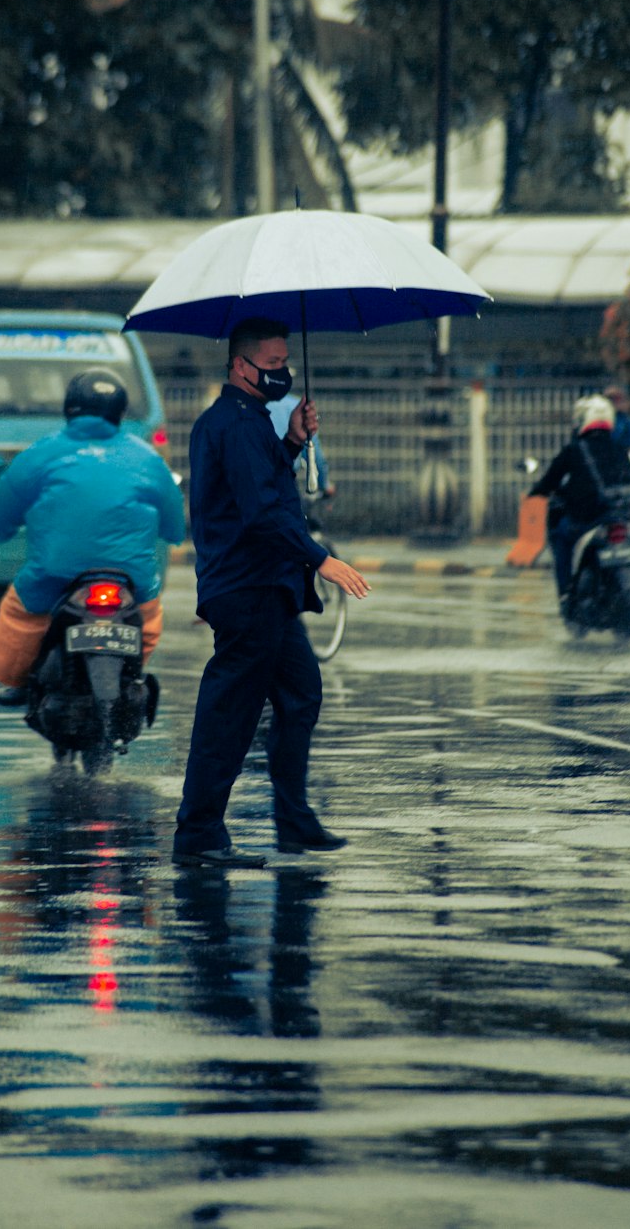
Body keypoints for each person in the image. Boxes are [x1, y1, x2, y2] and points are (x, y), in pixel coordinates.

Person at [172, 317, 371, 870]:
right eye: (275, 364)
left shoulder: (251, 420)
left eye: (287, 363)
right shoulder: (232, 424)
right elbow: (260, 513)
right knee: (230, 713)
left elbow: (260, 485)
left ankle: (293, 821)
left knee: (300, 694)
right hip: (247, 587)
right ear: (240, 365)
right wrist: (320, 559)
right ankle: (199, 835)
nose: (284, 373)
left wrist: (291, 441)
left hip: (269, 588)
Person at [0, 367, 185, 704]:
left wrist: (4, 531)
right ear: (120, 411)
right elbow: (175, 528)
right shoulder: (148, 459)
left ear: (70, 407)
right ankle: (133, 676)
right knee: (147, 619)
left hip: (53, 576)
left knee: (21, 615)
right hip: (131, 581)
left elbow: (2, 518)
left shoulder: (40, 453)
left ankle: (18, 684)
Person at [529, 393, 630, 604]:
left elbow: (550, 480)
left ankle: (566, 593)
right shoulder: (621, 450)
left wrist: (537, 492)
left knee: (561, 538)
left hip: (586, 519)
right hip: (617, 516)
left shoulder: (574, 450)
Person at [268, 390, 334, 497]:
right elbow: (313, 451)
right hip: (285, 475)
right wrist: (324, 484)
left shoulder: (255, 405)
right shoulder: (296, 405)